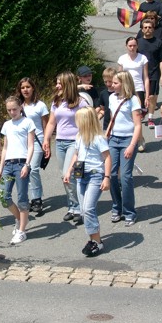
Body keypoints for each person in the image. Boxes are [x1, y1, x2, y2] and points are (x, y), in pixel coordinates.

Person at [63, 107, 111, 257]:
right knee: (83, 210)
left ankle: (98, 242)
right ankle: (92, 239)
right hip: (80, 174)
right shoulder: (79, 136)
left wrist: (107, 177)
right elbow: (76, 155)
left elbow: (107, 158)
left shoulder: (98, 138)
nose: (76, 123)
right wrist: (69, 171)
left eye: (78, 120)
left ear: (86, 121)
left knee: (89, 208)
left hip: (95, 175)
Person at [43, 72, 89, 223]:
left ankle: (80, 208)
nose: (57, 86)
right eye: (56, 83)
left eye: (59, 83)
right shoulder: (57, 101)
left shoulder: (81, 102)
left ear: (67, 84)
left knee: (71, 176)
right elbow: (51, 123)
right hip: (60, 143)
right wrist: (46, 139)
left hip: (75, 144)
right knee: (65, 177)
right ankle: (72, 206)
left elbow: (88, 124)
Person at [0, 96, 35, 244]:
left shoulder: (27, 122)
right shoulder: (7, 125)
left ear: (20, 108)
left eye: (14, 109)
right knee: (4, 197)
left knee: (22, 198)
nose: (12, 112)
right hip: (8, 164)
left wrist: (27, 164)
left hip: (21, 163)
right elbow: (5, 147)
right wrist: (0, 167)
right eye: (9, 110)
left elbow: (31, 145)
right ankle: (19, 218)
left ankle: (22, 231)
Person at [106, 71, 142, 226]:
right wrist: (106, 136)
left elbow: (138, 125)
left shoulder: (133, 100)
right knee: (112, 174)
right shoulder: (111, 98)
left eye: (115, 83)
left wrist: (132, 145)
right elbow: (112, 119)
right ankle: (117, 207)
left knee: (125, 176)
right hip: (113, 139)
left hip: (128, 139)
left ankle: (129, 211)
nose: (112, 85)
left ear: (123, 83)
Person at [16, 77, 49, 216]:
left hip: (37, 141)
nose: (25, 90)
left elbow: (46, 125)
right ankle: (32, 197)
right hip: (23, 142)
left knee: (33, 168)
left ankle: (37, 199)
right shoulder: (18, 106)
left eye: (28, 87)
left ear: (33, 88)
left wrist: (47, 144)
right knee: (26, 171)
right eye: (23, 87)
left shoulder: (40, 105)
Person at [117, 37, 149, 152]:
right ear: (126, 46)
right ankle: (131, 139)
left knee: (138, 116)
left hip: (138, 89)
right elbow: (118, 77)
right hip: (125, 89)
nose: (132, 48)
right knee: (127, 115)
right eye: (130, 46)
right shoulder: (122, 59)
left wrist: (147, 95)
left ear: (137, 46)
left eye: (134, 45)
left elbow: (145, 77)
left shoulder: (142, 58)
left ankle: (140, 139)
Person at [137, 18, 162, 129]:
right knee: (140, 96)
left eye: (150, 27)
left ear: (153, 29)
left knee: (152, 96)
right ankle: (143, 110)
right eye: (145, 27)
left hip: (154, 73)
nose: (148, 29)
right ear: (142, 29)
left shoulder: (158, 42)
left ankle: (150, 117)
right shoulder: (138, 42)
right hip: (140, 74)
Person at [97, 67, 118, 131]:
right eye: (105, 82)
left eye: (110, 81)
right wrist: (98, 117)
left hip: (118, 124)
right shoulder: (103, 94)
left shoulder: (119, 93)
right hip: (107, 124)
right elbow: (103, 110)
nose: (108, 84)